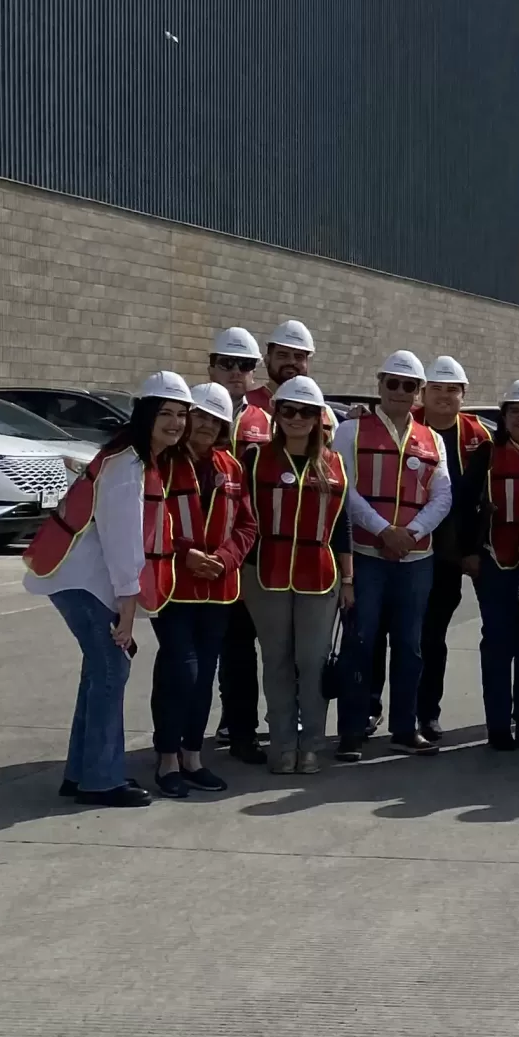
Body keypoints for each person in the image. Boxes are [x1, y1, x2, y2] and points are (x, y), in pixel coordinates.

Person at [23, 371, 195, 807]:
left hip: (81, 580)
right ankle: (100, 780)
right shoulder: (129, 465)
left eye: (181, 415)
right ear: (145, 416)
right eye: (166, 414)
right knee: (110, 672)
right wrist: (128, 613)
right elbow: (125, 544)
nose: (175, 423)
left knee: (100, 672)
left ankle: (81, 774)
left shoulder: (135, 457)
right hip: (81, 581)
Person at [332, 351, 453, 760]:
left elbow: (443, 494)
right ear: (380, 384)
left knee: (410, 645)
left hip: (416, 560)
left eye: (409, 386)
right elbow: (344, 488)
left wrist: (411, 533)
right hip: (367, 554)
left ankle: (405, 728)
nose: (400, 392)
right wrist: (385, 531)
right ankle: (351, 730)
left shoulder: (432, 438)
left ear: (418, 391)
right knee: (359, 642)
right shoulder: (350, 431)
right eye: (392, 384)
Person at [146, 382, 257, 798]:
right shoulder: (162, 464)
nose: (206, 426)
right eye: (201, 417)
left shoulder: (232, 467)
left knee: (204, 674)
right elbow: (151, 518)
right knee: (181, 670)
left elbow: (247, 525)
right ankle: (167, 757)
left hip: (219, 589)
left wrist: (226, 559)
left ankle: (193, 755)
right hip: (174, 585)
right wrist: (186, 553)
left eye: (215, 420)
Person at [243, 376, 352, 774]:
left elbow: (343, 526)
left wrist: (350, 581)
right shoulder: (255, 459)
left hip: (320, 575)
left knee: (312, 661)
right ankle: (283, 744)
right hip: (265, 574)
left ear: (318, 416)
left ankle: (312, 746)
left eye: (306, 411)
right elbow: (242, 517)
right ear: (276, 414)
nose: (297, 418)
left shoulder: (335, 463)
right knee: (276, 661)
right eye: (288, 410)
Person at [211, 319, 309, 763]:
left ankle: (262, 726)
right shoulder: (202, 411)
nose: (236, 371)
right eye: (227, 363)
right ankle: (237, 723)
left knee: (267, 641)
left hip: (258, 545)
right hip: (206, 541)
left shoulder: (268, 418)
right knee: (226, 643)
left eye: (243, 365)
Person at [461, 380, 519, 749]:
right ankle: (498, 724)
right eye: (515, 411)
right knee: (497, 641)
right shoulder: (486, 453)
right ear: (504, 417)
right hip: (495, 561)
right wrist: (468, 552)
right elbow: (464, 504)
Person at [411, 354, 487, 742]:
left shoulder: (479, 437)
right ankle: (421, 712)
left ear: (464, 394)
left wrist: (474, 549)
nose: (444, 396)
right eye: (436, 389)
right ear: (424, 392)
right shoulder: (407, 427)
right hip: (423, 547)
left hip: (469, 546)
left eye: (451, 390)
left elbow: (487, 500)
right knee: (428, 634)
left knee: (500, 630)